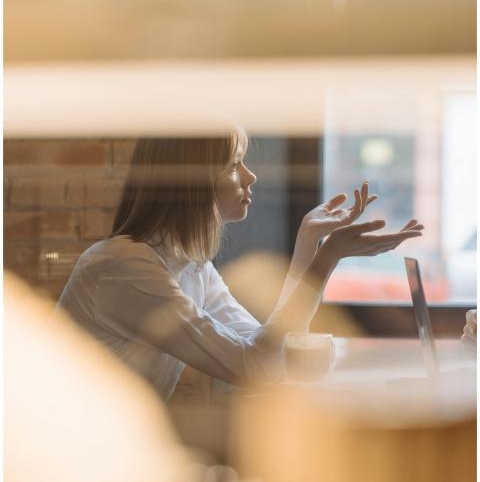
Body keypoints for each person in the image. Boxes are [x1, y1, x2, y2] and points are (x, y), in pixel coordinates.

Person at [58, 125, 423, 400]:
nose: (250, 176)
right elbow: (255, 369)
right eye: (234, 165)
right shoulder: (123, 268)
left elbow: (268, 353)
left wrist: (309, 243)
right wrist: (325, 260)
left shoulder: (191, 266)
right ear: (193, 183)